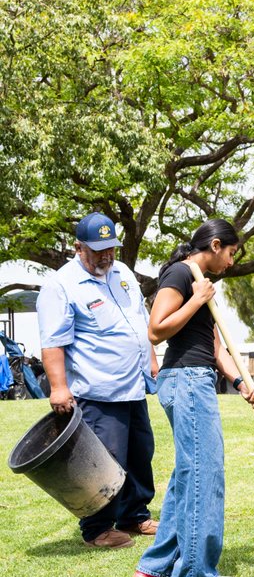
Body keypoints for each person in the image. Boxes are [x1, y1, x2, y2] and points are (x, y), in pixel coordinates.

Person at [133, 220, 254, 577]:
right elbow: (156, 329)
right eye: (232, 253)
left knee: (187, 474)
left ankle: (154, 564)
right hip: (186, 380)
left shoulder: (203, 281)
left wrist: (240, 381)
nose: (232, 262)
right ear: (216, 245)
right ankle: (195, 572)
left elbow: (215, 347)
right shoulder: (180, 274)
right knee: (205, 473)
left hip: (197, 377)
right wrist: (196, 299)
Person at [37, 212, 159, 549]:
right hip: (98, 391)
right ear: (78, 247)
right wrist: (59, 387)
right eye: (98, 250)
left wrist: (149, 357)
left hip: (132, 386)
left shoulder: (123, 274)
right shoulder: (61, 285)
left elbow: (139, 319)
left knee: (140, 453)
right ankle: (98, 528)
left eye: (111, 249)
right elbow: (53, 342)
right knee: (105, 461)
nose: (106, 256)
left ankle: (135, 516)